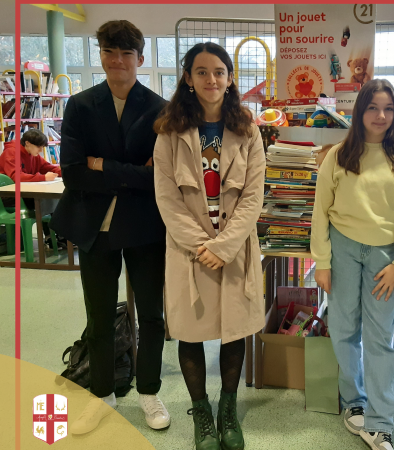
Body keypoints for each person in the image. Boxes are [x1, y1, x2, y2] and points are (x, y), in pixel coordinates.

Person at [50, 20, 170, 434]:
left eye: (125, 53)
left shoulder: (159, 109)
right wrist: (131, 172)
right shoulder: (80, 105)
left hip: (145, 226)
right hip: (94, 225)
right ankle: (102, 395)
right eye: (108, 52)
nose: (117, 60)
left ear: (140, 58)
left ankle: (149, 391)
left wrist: (103, 166)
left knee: (151, 314)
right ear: (100, 54)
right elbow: (72, 173)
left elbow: (160, 177)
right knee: (99, 316)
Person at [153, 42, 265, 450]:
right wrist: (204, 245)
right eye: (201, 72)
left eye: (219, 71)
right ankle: (201, 413)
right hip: (191, 253)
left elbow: (253, 196)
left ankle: (227, 409)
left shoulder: (248, 129)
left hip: (234, 250)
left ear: (230, 78)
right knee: (191, 331)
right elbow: (167, 198)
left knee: (234, 330)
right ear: (188, 78)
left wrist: (225, 245)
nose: (211, 79)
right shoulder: (169, 132)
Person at [311, 78, 394, 450]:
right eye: (373, 107)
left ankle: (380, 422)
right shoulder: (338, 155)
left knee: (379, 338)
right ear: (360, 111)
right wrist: (322, 262)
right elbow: (320, 211)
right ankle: (354, 400)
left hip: (384, 257)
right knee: (343, 329)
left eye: (388, 108)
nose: (380, 116)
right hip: (342, 250)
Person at [0, 129, 64, 247]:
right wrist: (43, 177)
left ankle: (57, 237)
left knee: (52, 199)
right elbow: (15, 176)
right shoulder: (12, 153)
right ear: (28, 143)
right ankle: (53, 237)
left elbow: (47, 167)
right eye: (39, 147)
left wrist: (66, 172)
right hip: (7, 196)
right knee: (44, 200)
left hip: (23, 193)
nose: (41, 150)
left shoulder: (32, 154)